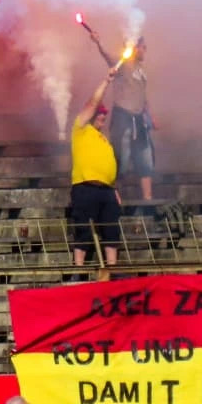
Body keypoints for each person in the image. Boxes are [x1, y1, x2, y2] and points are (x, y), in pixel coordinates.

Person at [87, 29, 155, 200]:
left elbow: (142, 95)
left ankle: (148, 200)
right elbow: (108, 56)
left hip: (140, 120)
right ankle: (116, 199)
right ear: (136, 47)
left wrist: (151, 116)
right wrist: (98, 42)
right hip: (123, 118)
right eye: (143, 47)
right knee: (120, 162)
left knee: (145, 161)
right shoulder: (123, 64)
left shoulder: (141, 70)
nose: (145, 50)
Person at [67, 65, 121, 268]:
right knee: (83, 231)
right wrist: (106, 81)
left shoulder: (103, 138)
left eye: (104, 114)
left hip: (106, 190)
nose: (102, 117)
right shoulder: (80, 128)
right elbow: (92, 102)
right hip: (85, 187)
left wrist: (114, 189)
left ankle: (112, 270)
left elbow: (107, 165)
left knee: (111, 231)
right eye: (99, 113)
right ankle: (78, 270)